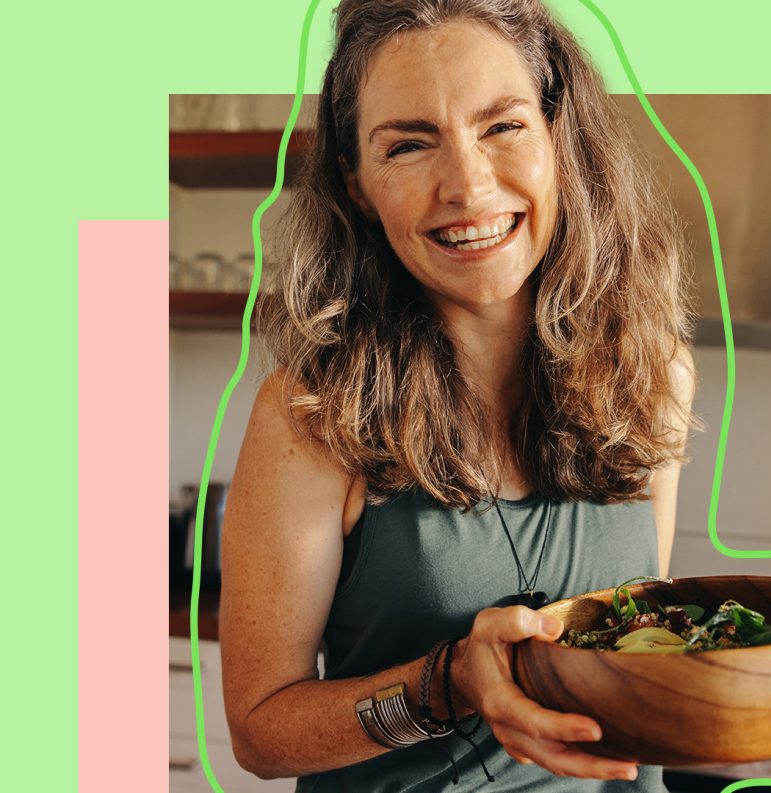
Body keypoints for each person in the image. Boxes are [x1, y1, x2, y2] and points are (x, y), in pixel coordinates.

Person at [219, 0, 696, 790]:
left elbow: (630, 647)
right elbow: (262, 733)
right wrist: (448, 684)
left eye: (503, 127)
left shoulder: (655, 373)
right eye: (409, 144)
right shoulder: (310, 416)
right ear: (360, 187)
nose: (469, 186)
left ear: (558, 141)